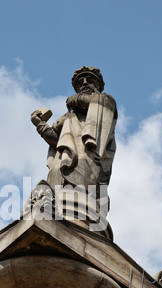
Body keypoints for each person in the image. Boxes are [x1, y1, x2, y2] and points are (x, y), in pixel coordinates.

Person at [31, 66, 118, 207]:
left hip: (89, 157)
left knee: (81, 195)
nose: (84, 83)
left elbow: (90, 102)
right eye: (80, 82)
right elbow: (57, 141)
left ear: (97, 86)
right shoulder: (69, 116)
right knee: (55, 192)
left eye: (89, 80)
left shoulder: (105, 102)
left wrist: (75, 100)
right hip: (63, 159)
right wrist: (40, 124)